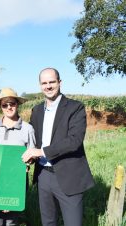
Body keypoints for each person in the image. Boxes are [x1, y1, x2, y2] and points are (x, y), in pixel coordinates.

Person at [22, 68, 95, 226]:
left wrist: (40, 152)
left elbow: (74, 140)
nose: (48, 86)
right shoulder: (37, 110)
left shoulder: (75, 107)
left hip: (68, 175)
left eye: (52, 82)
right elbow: (33, 141)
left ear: (59, 83)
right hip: (43, 175)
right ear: (40, 85)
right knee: (48, 223)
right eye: (44, 83)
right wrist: (31, 158)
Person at [0, 87, 36, 226]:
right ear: (0, 107)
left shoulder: (27, 129)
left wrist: (28, 163)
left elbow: (32, 155)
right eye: (5, 105)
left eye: (12, 103)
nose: (9, 107)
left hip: (16, 181)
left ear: (17, 104)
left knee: (11, 221)